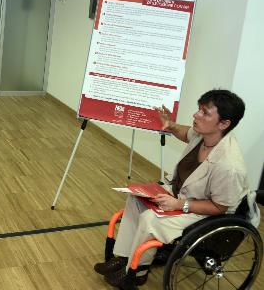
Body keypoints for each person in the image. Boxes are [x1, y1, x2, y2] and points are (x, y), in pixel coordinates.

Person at [93, 89, 248, 288]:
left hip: (203, 211)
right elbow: (186, 133)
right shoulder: (204, 135)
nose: (196, 115)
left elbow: (220, 207)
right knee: (136, 199)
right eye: (199, 109)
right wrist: (171, 126)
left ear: (224, 124)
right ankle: (123, 257)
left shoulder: (229, 165)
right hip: (180, 194)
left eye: (205, 113)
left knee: (150, 219)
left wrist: (180, 204)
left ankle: (137, 272)